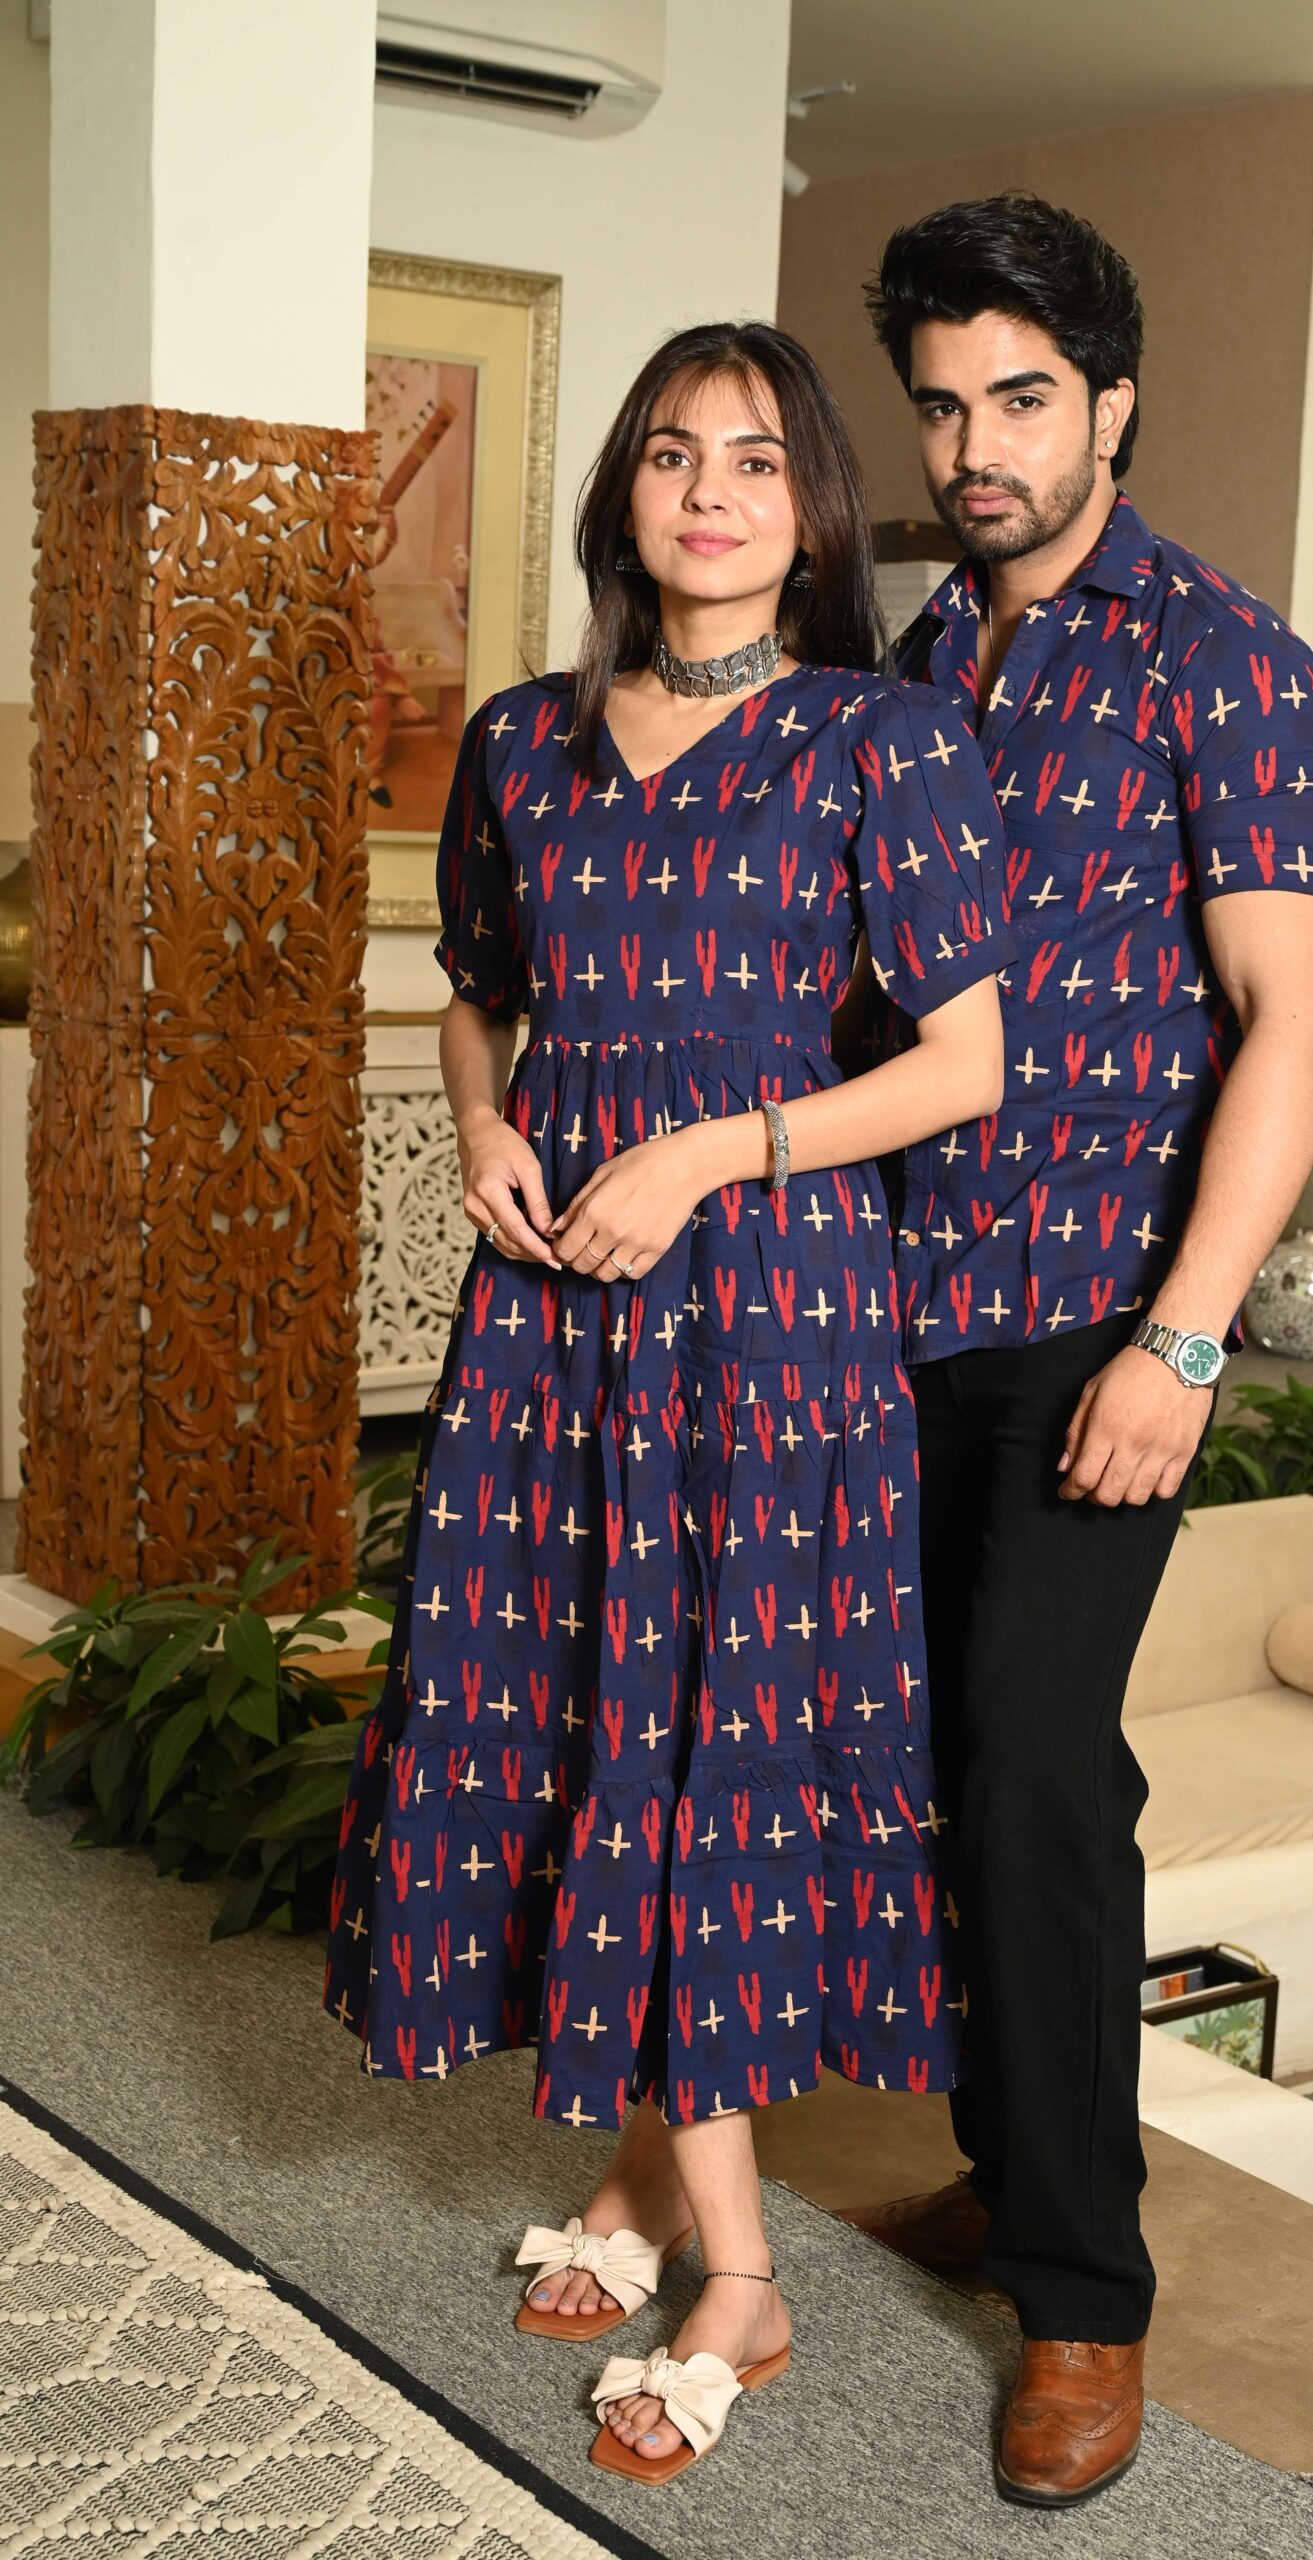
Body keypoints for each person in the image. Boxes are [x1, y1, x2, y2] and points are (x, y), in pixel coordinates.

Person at [323, 320, 1017, 2481]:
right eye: (670, 454)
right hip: (553, 1310)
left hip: (771, 1316)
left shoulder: (882, 737)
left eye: (755, 460)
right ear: (621, 494)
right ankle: (642, 2172)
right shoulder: (522, 741)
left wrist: (717, 1150)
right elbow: (480, 997)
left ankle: (741, 2273)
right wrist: (487, 1128)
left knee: (710, 1722)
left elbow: (966, 1062)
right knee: (576, 1706)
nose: (710, 492)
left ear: (811, 513)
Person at [844, 193, 1313, 2508]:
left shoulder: (1227, 663)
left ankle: (1082, 2296)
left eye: (1024, 398)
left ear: (1114, 403)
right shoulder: (915, 656)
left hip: (1092, 1317)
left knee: (1041, 1758)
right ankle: (1010, 2144)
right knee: (938, 1754)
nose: (979, 443)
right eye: (944, 402)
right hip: (886, 1301)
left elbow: (1288, 1023)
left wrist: (1186, 1340)